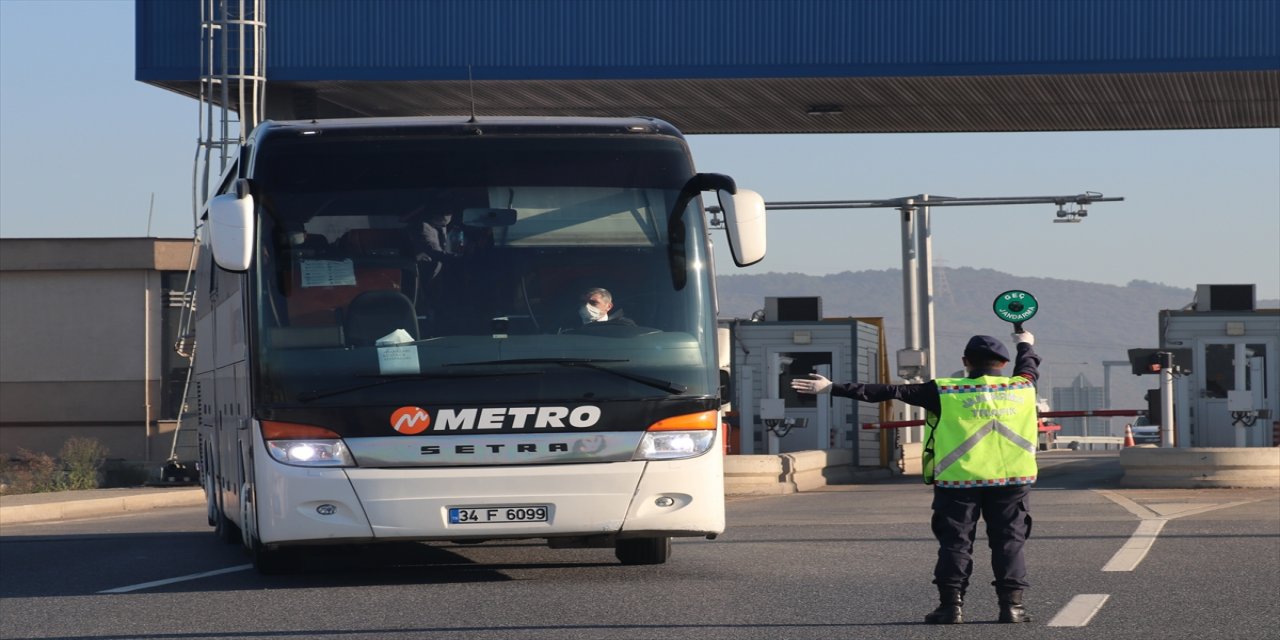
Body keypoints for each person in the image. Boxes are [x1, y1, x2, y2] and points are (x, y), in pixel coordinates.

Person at [791, 331, 1041, 625]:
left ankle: (951, 608)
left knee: (956, 544)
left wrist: (832, 388)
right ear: (1003, 363)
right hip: (1011, 481)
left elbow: (888, 391)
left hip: (957, 482)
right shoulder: (1023, 387)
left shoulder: (944, 390)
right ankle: (1012, 608)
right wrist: (1025, 342)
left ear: (965, 362)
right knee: (1009, 542)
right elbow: (1029, 365)